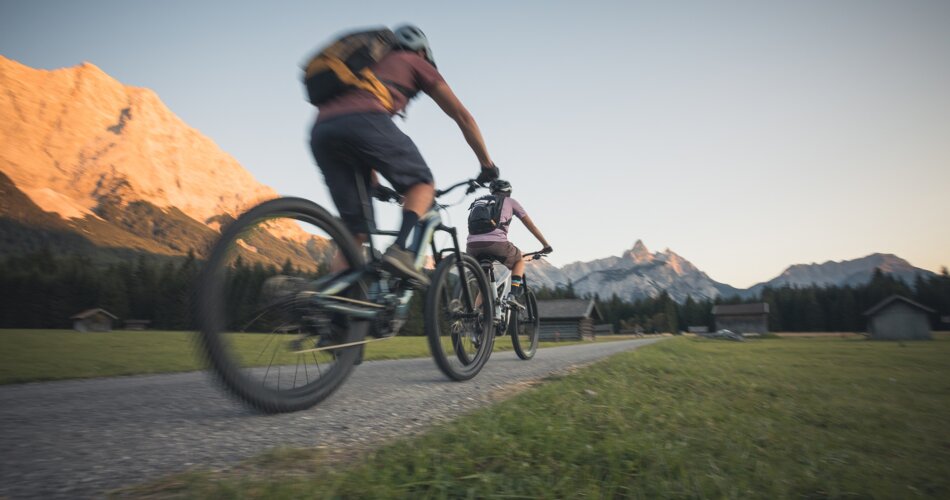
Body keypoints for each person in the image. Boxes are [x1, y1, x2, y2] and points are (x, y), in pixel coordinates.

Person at [309, 24, 499, 285]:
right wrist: (486, 164)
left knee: (356, 234)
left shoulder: (364, 69)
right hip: (364, 120)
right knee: (422, 184)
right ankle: (400, 250)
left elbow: (360, 142)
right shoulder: (414, 61)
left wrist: (375, 184)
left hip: (322, 130)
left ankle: (337, 312)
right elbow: (462, 116)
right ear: (422, 52)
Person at [466, 179, 552, 297]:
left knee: (484, 290)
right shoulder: (510, 202)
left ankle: (478, 313)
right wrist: (545, 245)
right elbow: (530, 225)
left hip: (472, 247)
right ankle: (514, 293)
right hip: (497, 244)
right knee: (518, 260)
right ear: (508, 191)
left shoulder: (479, 201)